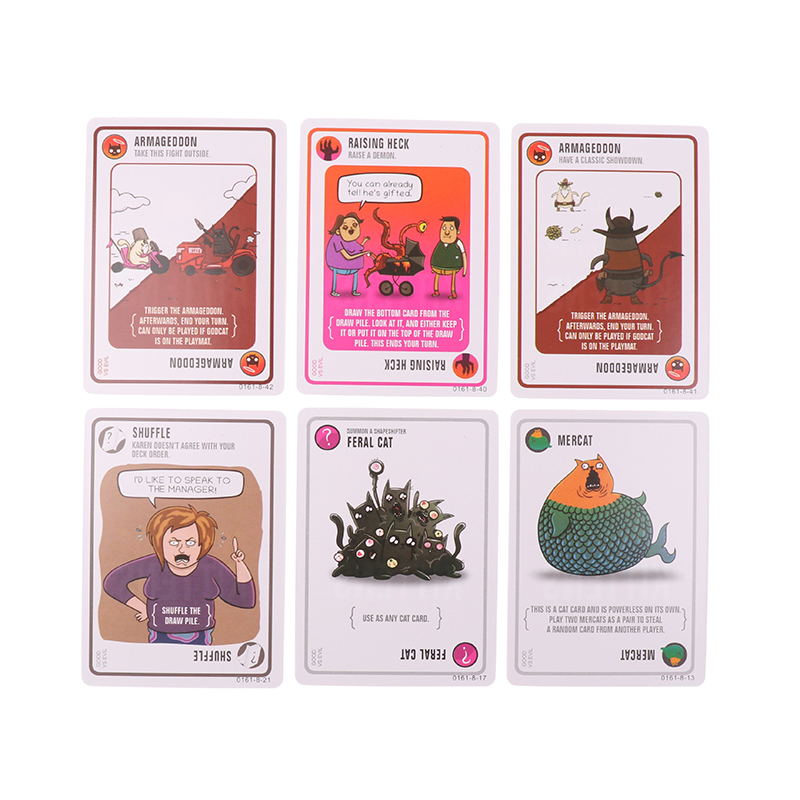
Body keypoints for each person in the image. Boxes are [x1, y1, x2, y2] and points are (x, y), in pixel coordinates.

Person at [103, 505, 255, 645]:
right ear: (160, 544)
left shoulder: (211, 566)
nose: (182, 549)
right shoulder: (153, 564)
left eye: (190, 542)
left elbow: (245, 600)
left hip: (201, 639)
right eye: (174, 543)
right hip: (158, 637)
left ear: (202, 544)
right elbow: (113, 582)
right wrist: (141, 608)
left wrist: (240, 564)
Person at [326, 212, 373, 297]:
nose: (351, 228)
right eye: (345, 227)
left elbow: (358, 248)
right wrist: (364, 253)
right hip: (338, 265)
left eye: (355, 225)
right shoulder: (336, 240)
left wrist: (364, 241)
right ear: (338, 231)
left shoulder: (349, 238)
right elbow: (348, 257)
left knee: (355, 273)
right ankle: (333, 290)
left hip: (351, 267)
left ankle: (354, 290)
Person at [430, 216, 467, 299]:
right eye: (444, 228)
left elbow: (463, 254)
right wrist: (433, 266)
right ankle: (436, 290)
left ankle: (453, 292)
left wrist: (464, 270)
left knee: (453, 278)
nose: (447, 232)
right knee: (437, 276)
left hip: (453, 267)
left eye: (451, 228)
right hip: (438, 267)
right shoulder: (440, 243)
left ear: (457, 231)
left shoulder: (458, 243)